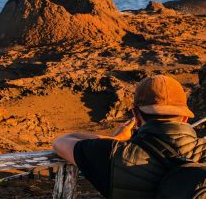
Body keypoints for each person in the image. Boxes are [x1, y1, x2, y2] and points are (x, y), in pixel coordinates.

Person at [53, 75, 206, 199]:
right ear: (185, 118)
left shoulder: (113, 155)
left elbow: (61, 142)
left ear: (136, 116)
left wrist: (115, 140)